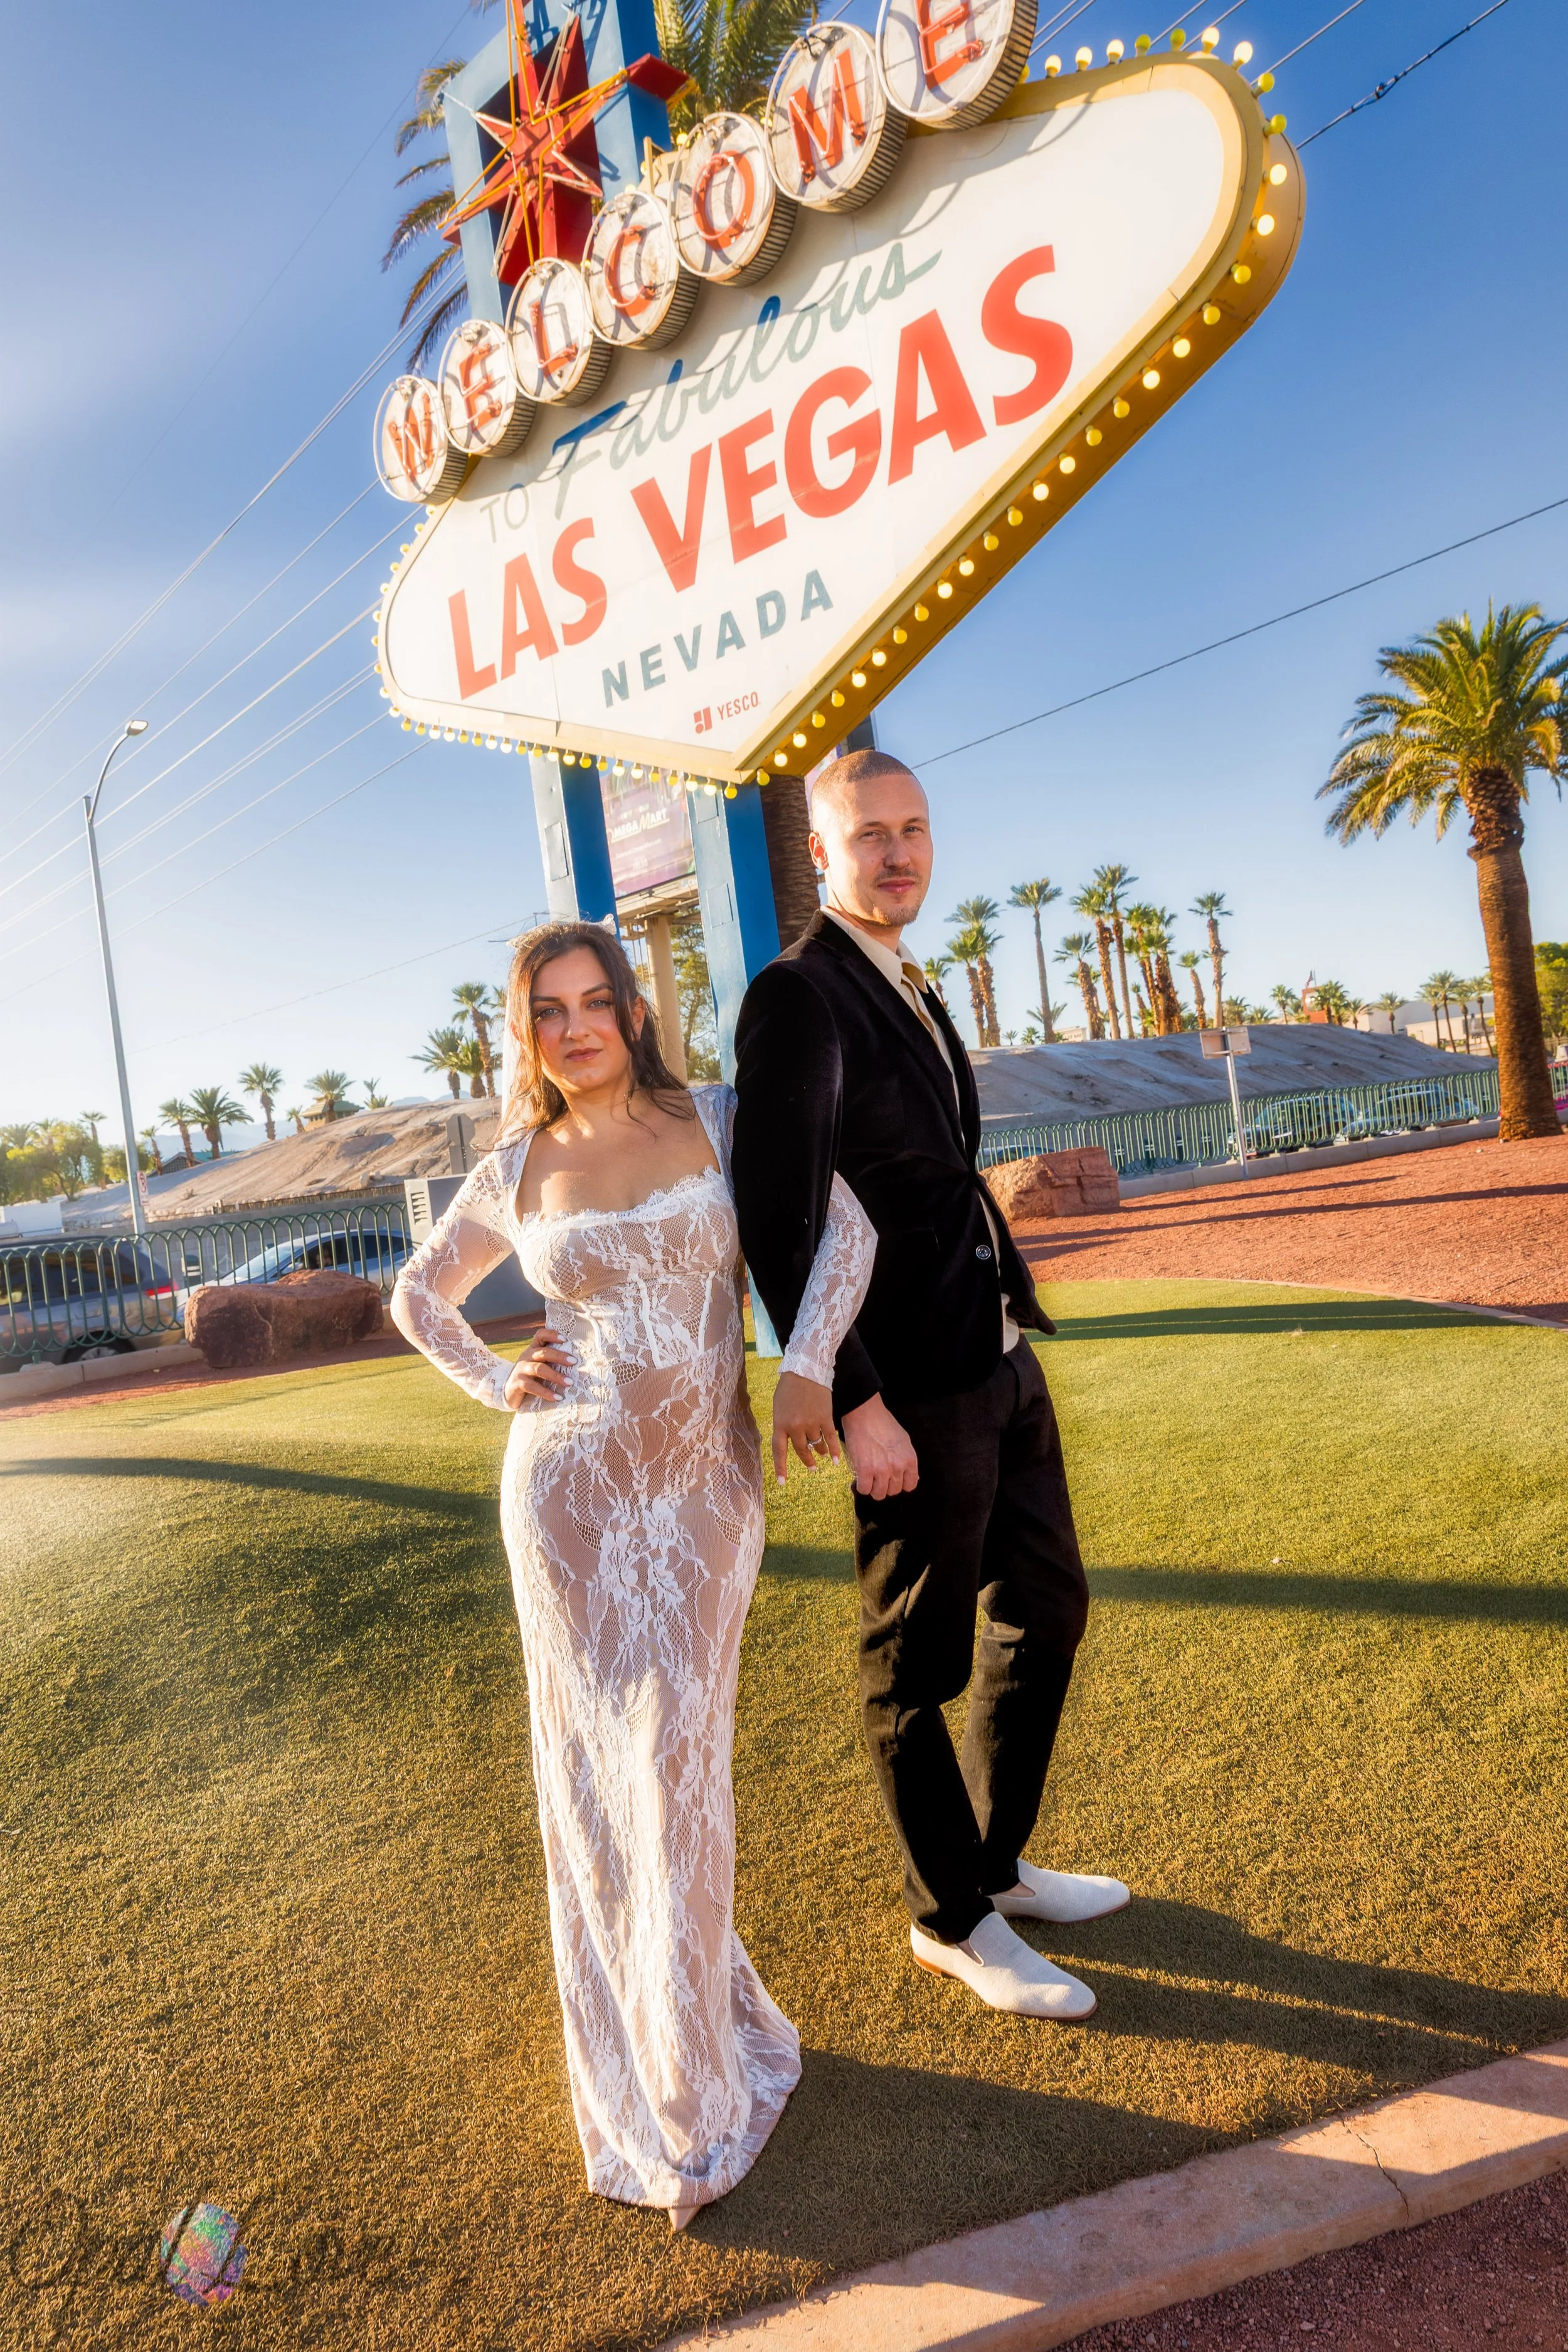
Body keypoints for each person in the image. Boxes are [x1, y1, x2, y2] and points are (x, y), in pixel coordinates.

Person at [390, 921, 874, 2227]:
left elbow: (848, 1229)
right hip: (568, 1502)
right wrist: (499, 1383)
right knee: (607, 1785)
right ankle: (677, 2098)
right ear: (524, 1030)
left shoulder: (720, 1115)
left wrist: (809, 1370)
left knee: (676, 1771)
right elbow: (416, 1299)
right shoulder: (513, 1168)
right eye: (549, 1010)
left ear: (633, 1012)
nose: (576, 1027)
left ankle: (696, 2068)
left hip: (701, 1495)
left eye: (596, 1002)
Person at [731, 749, 1128, 2022]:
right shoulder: (795, 995)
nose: (898, 854)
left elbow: (935, 1173)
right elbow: (774, 1212)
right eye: (870, 836)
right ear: (820, 854)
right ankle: (948, 1918)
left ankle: (995, 1866)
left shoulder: (908, 981)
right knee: (912, 1663)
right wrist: (851, 1395)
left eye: (913, 831)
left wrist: (1006, 1313)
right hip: (905, 1386)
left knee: (1049, 1606)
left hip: (997, 1355)